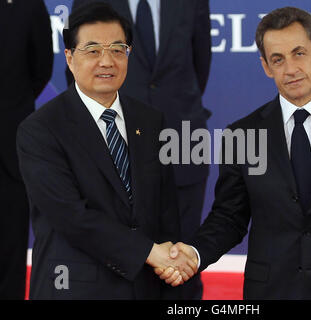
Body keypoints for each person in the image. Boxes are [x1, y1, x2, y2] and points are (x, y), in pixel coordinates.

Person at [160, 7, 311, 299]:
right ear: (266, 66)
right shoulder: (244, 135)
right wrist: (195, 253)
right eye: (278, 59)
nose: (290, 69)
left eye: (299, 53)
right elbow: (229, 218)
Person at [16, 2, 196, 299]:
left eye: (117, 49)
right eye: (93, 50)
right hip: (76, 288)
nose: (107, 61)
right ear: (70, 59)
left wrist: (170, 265)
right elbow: (73, 218)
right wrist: (150, 253)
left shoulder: (149, 121)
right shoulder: (41, 129)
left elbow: (166, 214)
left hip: (145, 287)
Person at [67, 0, 212, 299]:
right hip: (113, 144)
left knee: (182, 261)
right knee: (119, 262)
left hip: (182, 142)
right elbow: (79, 71)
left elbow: (200, 63)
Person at [0, 0, 53, 299]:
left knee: (11, 238)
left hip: (10, 146)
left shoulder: (29, 5)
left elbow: (41, 68)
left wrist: (11, 108)